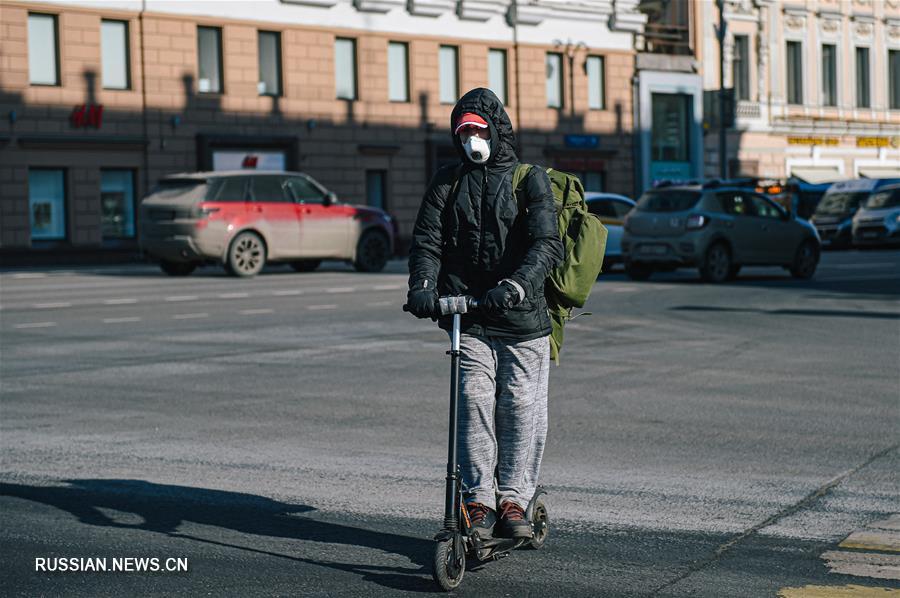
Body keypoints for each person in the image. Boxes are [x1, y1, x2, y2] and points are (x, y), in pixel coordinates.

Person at [406, 88, 563, 539]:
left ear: (495, 130)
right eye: (463, 132)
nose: (471, 139)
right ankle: (478, 501)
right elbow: (427, 242)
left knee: (519, 407)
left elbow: (546, 244)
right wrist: (422, 287)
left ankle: (514, 498)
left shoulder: (528, 179)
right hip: (468, 316)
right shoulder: (446, 181)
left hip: (521, 317)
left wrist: (515, 285)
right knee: (472, 401)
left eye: (477, 129)